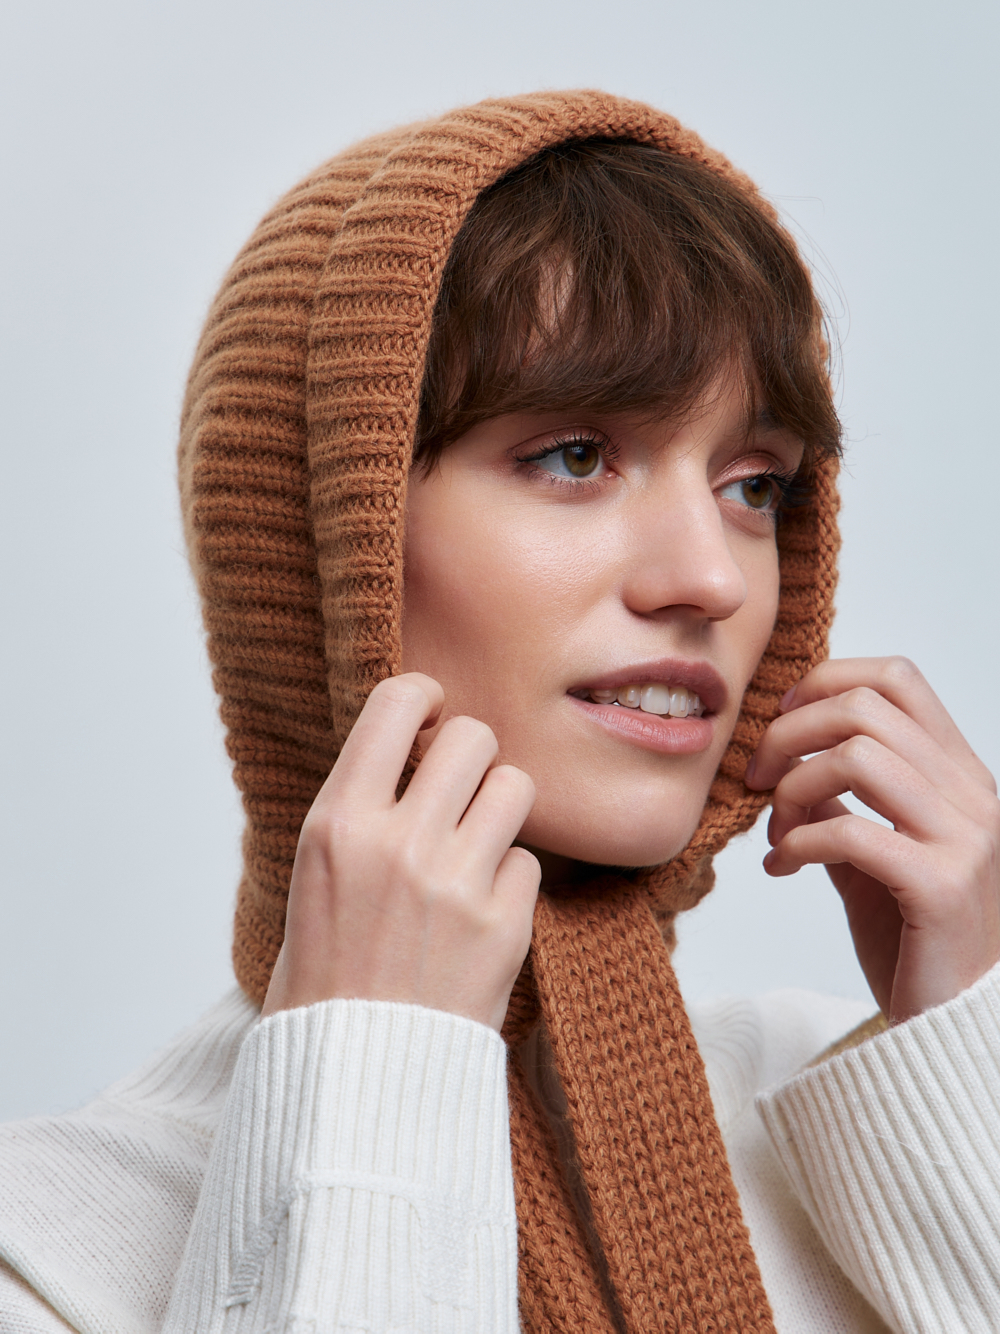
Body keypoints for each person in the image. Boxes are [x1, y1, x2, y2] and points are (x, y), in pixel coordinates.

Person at [2, 89, 1000, 1334]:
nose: (709, 575)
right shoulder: (54, 1250)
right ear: (322, 536)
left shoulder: (870, 1109)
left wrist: (974, 1049)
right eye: (575, 455)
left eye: (754, 485)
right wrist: (366, 1079)